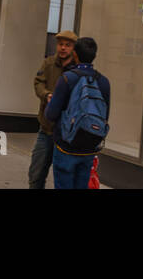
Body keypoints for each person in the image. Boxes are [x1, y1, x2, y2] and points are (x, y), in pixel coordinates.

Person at [43, 36, 110, 189]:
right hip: (89, 146)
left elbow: (51, 115)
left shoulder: (67, 78)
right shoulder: (104, 82)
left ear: (75, 55)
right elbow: (104, 116)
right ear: (94, 55)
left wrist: (49, 103)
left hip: (65, 145)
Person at [29, 30, 78, 188]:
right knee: (36, 173)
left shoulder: (76, 70)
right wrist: (46, 95)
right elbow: (38, 83)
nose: (63, 48)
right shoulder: (48, 63)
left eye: (67, 45)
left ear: (73, 48)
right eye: (60, 44)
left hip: (65, 133)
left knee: (63, 178)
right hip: (46, 129)